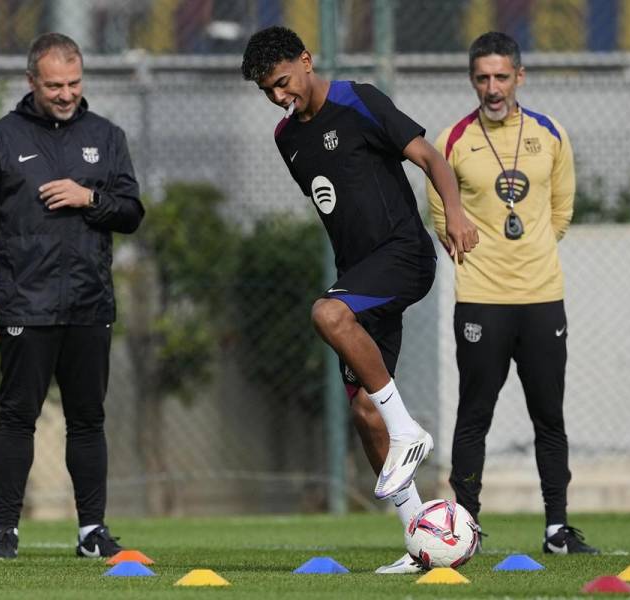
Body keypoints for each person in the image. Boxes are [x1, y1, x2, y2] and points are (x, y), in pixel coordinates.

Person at [241, 26, 479, 573]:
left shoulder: (359, 100)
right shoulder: (286, 139)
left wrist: (456, 213)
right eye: (267, 92)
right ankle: (421, 543)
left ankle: (409, 431)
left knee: (327, 313)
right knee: (366, 411)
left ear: (306, 60)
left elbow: (430, 158)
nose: (279, 97)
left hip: (404, 257)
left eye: (282, 82)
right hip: (362, 278)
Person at [0, 32, 143, 559]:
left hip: (89, 303)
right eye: (54, 84)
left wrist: (90, 198)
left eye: (74, 83)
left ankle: (91, 533)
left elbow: (131, 212)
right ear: (31, 81)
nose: (65, 93)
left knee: (89, 419)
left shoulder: (107, 137)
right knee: (17, 416)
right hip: (24, 303)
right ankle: (4, 535)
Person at [426, 31, 598, 554]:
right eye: (482, 78)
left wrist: (528, 254)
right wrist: (485, 260)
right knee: (474, 413)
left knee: (550, 414)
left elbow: (562, 210)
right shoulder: (452, 139)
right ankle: (465, 529)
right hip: (481, 299)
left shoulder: (551, 134)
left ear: (519, 77)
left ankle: (556, 529)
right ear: (472, 80)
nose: (492, 88)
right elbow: (441, 214)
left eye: (502, 76)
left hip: (543, 296)